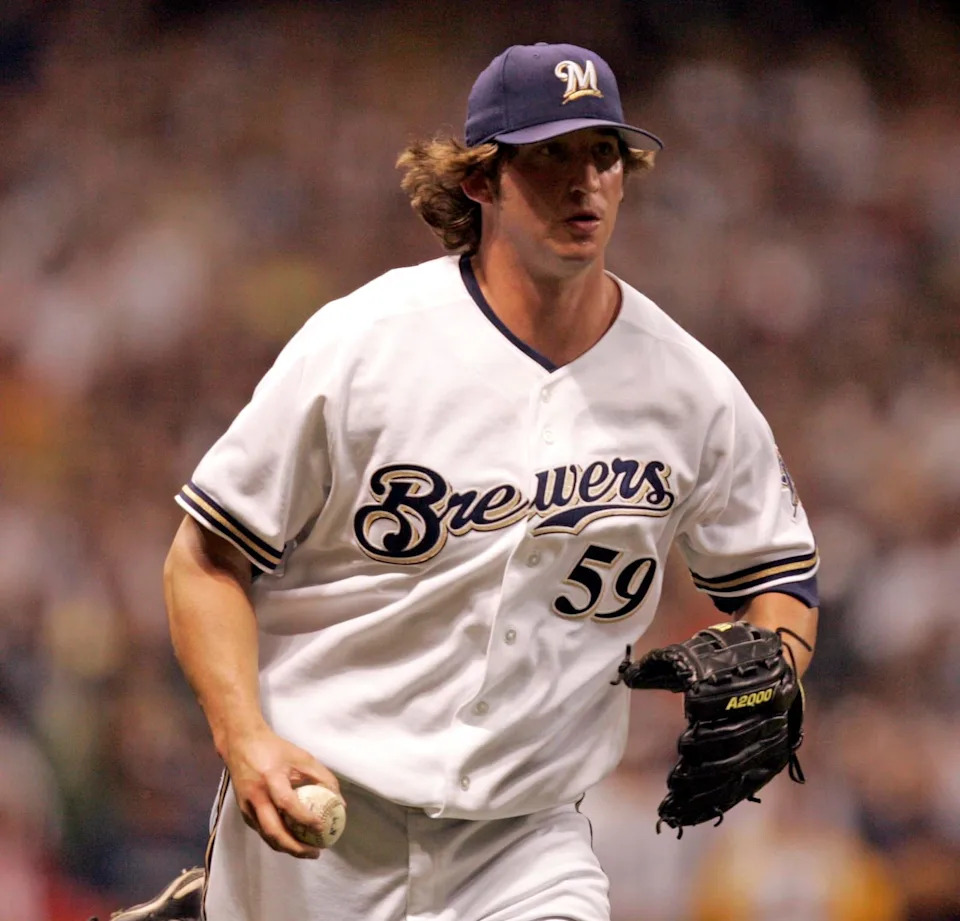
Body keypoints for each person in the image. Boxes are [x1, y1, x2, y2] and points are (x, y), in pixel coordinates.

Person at [108, 41, 819, 921]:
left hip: (526, 844)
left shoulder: (691, 389)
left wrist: (776, 664)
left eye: (603, 153)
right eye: (550, 155)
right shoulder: (365, 344)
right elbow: (203, 560)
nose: (584, 181)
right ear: (480, 180)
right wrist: (243, 736)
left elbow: (781, 578)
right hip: (321, 818)